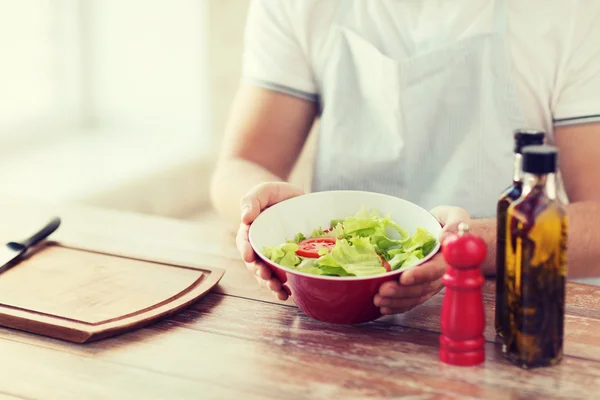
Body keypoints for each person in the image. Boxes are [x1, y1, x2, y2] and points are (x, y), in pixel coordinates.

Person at [210, 0, 600, 315]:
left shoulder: (571, 14)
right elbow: (237, 168)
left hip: (509, 310)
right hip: (333, 312)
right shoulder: (296, 7)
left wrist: (462, 246)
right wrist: (265, 216)